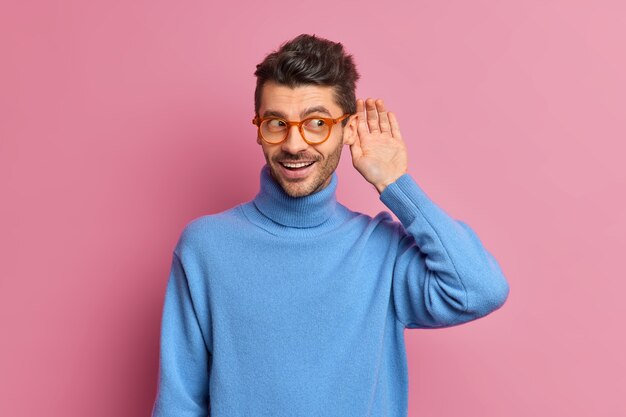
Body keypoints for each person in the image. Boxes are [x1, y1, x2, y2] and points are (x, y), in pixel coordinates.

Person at [151, 33, 510, 417]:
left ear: (347, 129)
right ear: (258, 129)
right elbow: (178, 402)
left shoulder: (381, 251)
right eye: (276, 123)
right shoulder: (207, 247)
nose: (294, 143)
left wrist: (394, 183)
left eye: (317, 123)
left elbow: (479, 290)